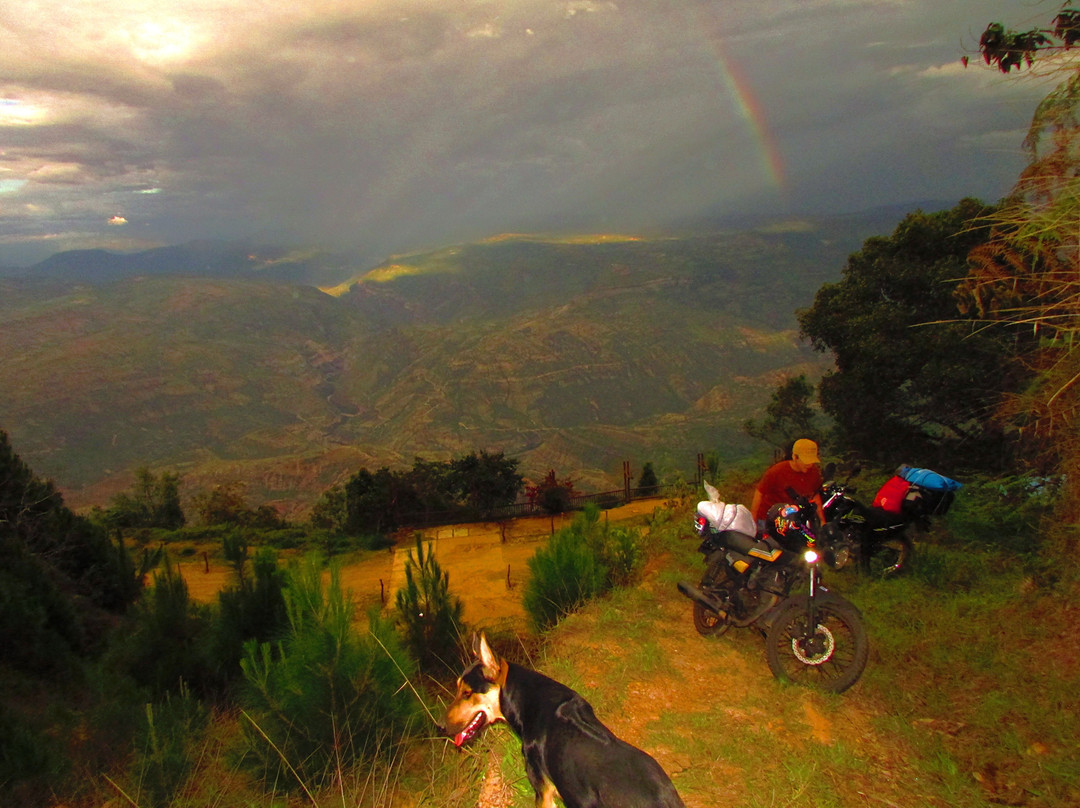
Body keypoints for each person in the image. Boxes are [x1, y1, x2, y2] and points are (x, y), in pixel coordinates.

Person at [750, 438, 825, 533]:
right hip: (768, 520)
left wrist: (822, 521)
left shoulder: (814, 472)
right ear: (794, 457)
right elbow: (759, 493)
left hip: (792, 520)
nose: (809, 465)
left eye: (811, 461)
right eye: (806, 461)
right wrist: (753, 519)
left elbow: (815, 496)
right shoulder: (777, 471)